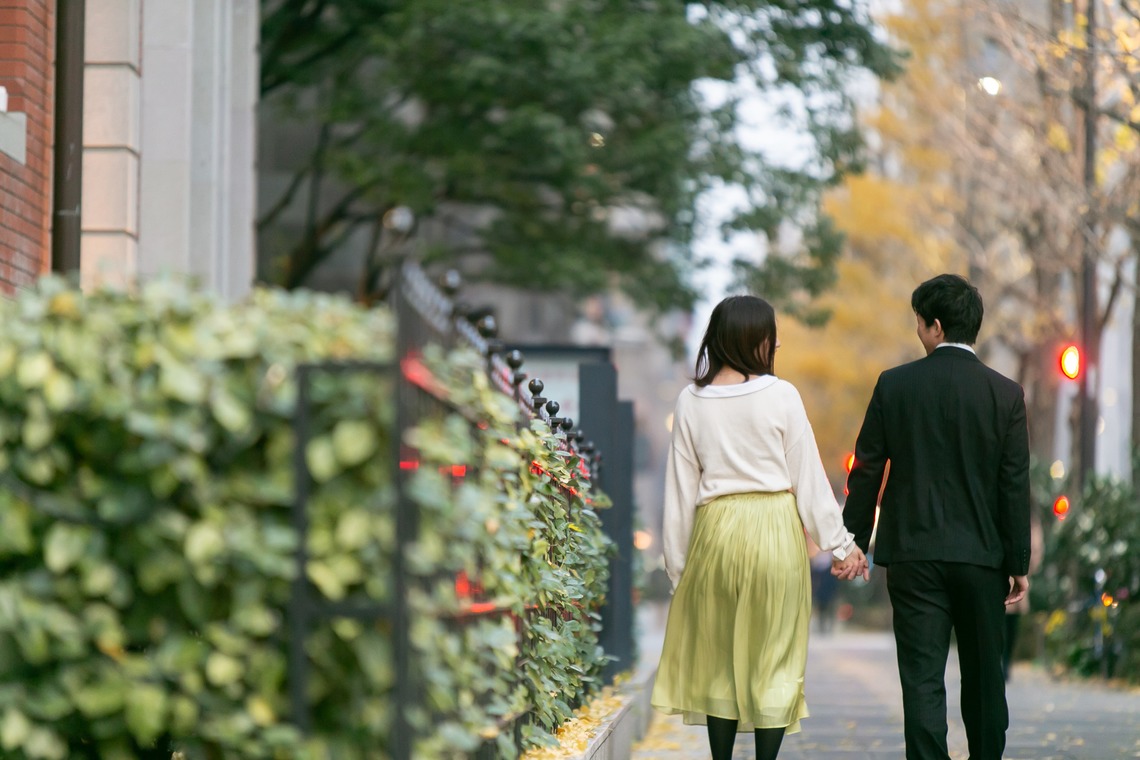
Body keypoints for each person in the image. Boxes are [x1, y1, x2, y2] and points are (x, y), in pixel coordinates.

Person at [651, 295, 868, 760]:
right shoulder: (782, 395)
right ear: (758, 339)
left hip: (715, 535)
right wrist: (842, 544)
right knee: (774, 659)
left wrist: (678, 569)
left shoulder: (692, 400)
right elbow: (807, 478)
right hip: (774, 530)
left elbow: (680, 492)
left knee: (717, 662)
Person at [843, 274, 1031, 760]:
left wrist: (854, 540)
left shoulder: (895, 385)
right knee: (985, 677)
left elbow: (866, 470)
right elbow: (1013, 485)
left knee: (922, 678)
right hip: (982, 558)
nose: (918, 332)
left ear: (935, 327)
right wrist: (1018, 562)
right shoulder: (1005, 394)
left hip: (914, 555)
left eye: (919, 323)